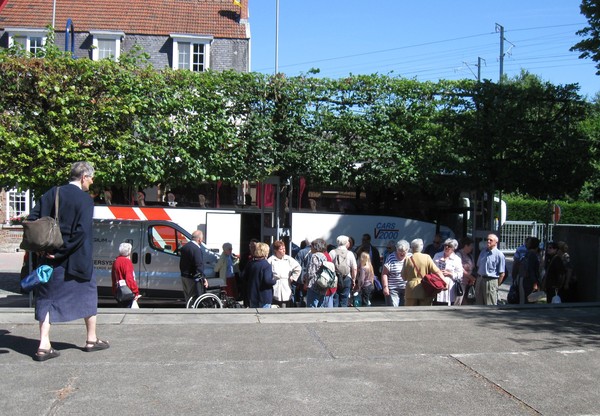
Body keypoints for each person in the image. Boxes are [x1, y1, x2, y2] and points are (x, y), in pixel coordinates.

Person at [27, 161, 109, 361]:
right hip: (77, 260)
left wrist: (46, 249)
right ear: (83, 177)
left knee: (46, 299)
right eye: (91, 178)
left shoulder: (51, 193)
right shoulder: (85, 200)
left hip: (49, 258)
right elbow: (81, 232)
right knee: (88, 295)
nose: (91, 181)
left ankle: (43, 345)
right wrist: (63, 251)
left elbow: (33, 219)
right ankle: (91, 339)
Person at [403, 238, 445, 306]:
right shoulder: (427, 257)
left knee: (410, 313)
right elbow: (437, 271)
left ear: (412, 247)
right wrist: (444, 282)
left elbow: (404, 277)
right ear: (421, 247)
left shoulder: (407, 259)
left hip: (411, 290)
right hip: (425, 288)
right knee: (424, 312)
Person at [267, 240, 301, 307]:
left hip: (286, 285)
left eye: (284, 248)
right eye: (281, 249)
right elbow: (267, 272)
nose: (283, 250)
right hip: (275, 286)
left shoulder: (288, 259)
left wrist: (293, 277)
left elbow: (298, 268)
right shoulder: (271, 260)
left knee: (286, 304)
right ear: (276, 250)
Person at [475, 233, 506, 305]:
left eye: (491, 240)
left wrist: (496, 285)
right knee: (478, 304)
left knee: (490, 305)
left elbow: (502, 274)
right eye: (487, 239)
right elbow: (478, 266)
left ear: (496, 242)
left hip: (491, 281)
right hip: (480, 279)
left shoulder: (499, 255)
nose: (488, 241)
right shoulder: (483, 252)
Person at [179, 230, 208, 303]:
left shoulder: (185, 247)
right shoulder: (196, 249)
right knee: (193, 298)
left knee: (187, 298)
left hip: (184, 275)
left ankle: (187, 310)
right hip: (191, 277)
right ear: (199, 239)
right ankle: (191, 313)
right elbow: (199, 265)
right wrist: (204, 278)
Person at [432, 238, 463, 305]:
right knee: (436, 304)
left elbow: (460, 274)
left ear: (453, 248)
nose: (446, 247)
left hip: (449, 287)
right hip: (437, 284)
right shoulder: (437, 255)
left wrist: (450, 274)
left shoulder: (457, 259)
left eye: (449, 246)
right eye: (445, 245)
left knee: (447, 305)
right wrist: (437, 272)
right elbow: (431, 268)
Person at [245, 242, 276, 308]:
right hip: (264, 295)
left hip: (252, 295)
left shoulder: (251, 263)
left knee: (254, 316)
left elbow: (244, 277)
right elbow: (267, 280)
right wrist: (274, 280)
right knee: (264, 316)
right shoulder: (266, 265)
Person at [329, 235, 357, 307]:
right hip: (347, 278)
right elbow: (354, 268)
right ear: (346, 243)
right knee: (344, 299)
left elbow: (328, 266)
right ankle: (343, 315)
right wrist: (353, 279)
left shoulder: (332, 252)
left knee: (335, 298)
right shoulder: (350, 253)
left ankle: (335, 315)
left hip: (334, 278)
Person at [111, 242, 141, 307]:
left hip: (118, 291)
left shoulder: (116, 260)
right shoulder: (127, 262)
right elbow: (129, 279)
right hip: (127, 292)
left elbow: (113, 277)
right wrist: (136, 292)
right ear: (129, 252)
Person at [305, 238, 333, 308]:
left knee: (312, 306)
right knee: (320, 306)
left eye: (311, 246)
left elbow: (311, 272)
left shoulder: (315, 256)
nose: (310, 248)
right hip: (323, 285)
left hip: (314, 285)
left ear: (316, 247)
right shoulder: (324, 256)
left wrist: (305, 280)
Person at [381, 239, 410, 306]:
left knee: (404, 309)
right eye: (399, 251)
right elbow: (384, 273)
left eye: (404, 251)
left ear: (407, 250)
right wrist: (385, 287)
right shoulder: (391, 257)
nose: (402, 253)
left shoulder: (410, 257)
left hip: (406, 288)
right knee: (393, 308)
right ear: (396, 249)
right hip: (393, 288)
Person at [516, 237, 541, 304]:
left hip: (524, 279)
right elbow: (531, 269)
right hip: (529, 281)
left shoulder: (528, 253)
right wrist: (535, 283)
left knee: (525, 299)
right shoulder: (532, 254)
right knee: (530, 300)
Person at [456, 237, 476, 305]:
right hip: (461, 283)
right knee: (458, 301)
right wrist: (470, 277)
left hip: (468, 283)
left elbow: (472, 268)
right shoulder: (458, 255)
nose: (472, 248)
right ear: (466, 246)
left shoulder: (470, 256)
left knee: (466, 302)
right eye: (471, 246)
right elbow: (460, 269)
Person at [294, 239, 312, 307]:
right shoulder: (316, 252)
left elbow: (296, 266)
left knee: (303, 296)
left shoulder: (301, 252)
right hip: (313, 279)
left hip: (303, 279)